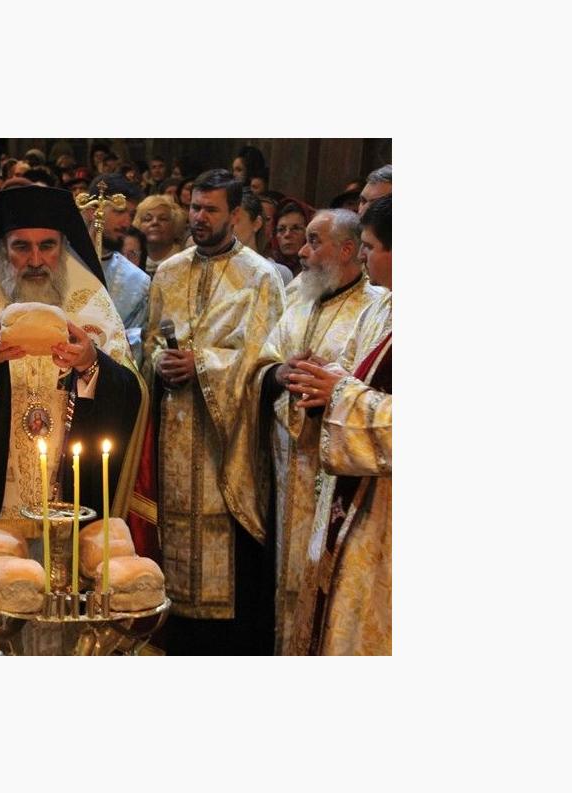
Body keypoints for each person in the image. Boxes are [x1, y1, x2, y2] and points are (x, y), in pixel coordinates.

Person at [0, 185, 145, 654]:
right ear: (3, 249)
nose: (36, 259)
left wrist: (92, 365)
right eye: (22, 246)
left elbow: (130, 393)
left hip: (73, 495)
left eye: (48, 245)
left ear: (64, 247)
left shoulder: (91, 304)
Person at [143, 168, 285, 655]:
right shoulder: (168, 271)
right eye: (194, 208)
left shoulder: (260, 276)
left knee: (226, 556)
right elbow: (149, 342)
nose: (199, 217)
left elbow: (266, 359)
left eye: (211, 209)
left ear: (236, 214)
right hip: (173, 430)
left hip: (226, 441)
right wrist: (161, 363)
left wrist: (201, 363)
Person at [235, 208, 387, 656]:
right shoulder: (298, 294)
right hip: (288, 467)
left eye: (314, 241)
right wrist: (280, 373)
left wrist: (329, 387)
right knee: (285, 580)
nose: (302, 251)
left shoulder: (377, 307)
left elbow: (370, 385)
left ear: (348, 249)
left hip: (336, 472)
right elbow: (261, 362)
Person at [286, 195, 392, 655]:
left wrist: (339, 392)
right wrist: (323, 384)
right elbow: (354, 375)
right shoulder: (384, 309)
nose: (363, 257)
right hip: (359, 502)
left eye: (370, 247)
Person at [83, 173, 150, 364]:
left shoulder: (137, 281)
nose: (127, 223)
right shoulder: (60, 262)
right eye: (120, 212)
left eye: (131, 215)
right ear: (92, 210)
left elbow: (133, 348)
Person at [234, 189, 293, 285]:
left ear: (256, 223)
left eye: (236, 220)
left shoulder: (278, 273)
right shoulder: (214, 269)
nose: (228, 227)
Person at [132, 194, 186, 275]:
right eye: (148, 219)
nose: (155, 222)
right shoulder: (130, 262)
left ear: (175, 225)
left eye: (162, 219)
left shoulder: (186, 262)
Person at [271, 199, 311, 278]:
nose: (287, 235)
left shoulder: (316, 270)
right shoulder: (267, 268)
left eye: (296, 228)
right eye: (281, 229)